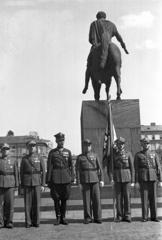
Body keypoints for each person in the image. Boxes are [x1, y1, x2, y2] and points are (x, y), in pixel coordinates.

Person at [83, 11, 127, 94]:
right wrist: (123, 45)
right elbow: (118, 36)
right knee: (117, 66)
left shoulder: (93, 24)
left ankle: (86, 86)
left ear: (97, 17)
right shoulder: (112, 24)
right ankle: (118, 87)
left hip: (96, 46)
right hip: (110, 44)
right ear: (105, 17)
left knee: (89, 66)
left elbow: (90, 39)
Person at [46, 132, 74, 225]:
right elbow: (49, 166)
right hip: (55, 178)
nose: (61, 142)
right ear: (56, 141)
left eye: (63, 140)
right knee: (56, 199)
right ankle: (58, 218)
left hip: (66, 178)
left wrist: (72, 178)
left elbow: (71, 166)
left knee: (65, 198)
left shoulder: (68, 152)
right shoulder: (52, 152)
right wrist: (48, 180)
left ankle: (63, 218)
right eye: (59, 140)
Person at [76, 139, 104, 224]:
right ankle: (88, 218)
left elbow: (100, 168)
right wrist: (79, 183)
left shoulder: (95, 155)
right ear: (83, 146)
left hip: (95, 179)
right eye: (85, 145)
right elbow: (77, 170)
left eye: (89, 145)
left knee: (96, 200)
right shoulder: (80, 157)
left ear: (91, 146)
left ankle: (98, 218)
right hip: (85, 181)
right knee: (87, 201)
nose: (87, 147)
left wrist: (102, 179)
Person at [134, 137, 162, 222]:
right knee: (144, 198)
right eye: (145, 143)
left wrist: (160, 180)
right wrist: (136, 182)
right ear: (142, 144)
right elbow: (136, 169)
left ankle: (154, 217)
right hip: (143, 179)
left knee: (153, 198)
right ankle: (145, 217)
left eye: (148, 143)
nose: (147, 145)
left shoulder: (154, 154)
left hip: (153, 178)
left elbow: (158, 167)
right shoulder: (138, 155)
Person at [20, 140, 45, 228]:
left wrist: (43, 184)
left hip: (37, 182)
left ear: (36, 147)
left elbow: (43, 172)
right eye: (30, 146)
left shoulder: (40, 157)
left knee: (36, 203)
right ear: (27, 147)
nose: (32, 147)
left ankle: (36, 221)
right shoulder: (24, 159)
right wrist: (22, 185)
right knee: (27, 204)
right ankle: (28, 222)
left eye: (34, 146)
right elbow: (21, 172)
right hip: (27, 182)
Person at [109, 137, 134, 223]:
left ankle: (127, 215)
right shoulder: (114, 155)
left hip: (127, 178)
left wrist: (133, 180)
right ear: (117, 145)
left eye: (122, 144)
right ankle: (119, 216)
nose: (121, 145)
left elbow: (132, 168)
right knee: (118, 198)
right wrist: (111, 178)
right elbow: (111, 168)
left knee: (127, 198)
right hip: (117, 178)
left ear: (124, 145)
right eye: (119, 144)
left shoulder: (128, 154)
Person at [0, 143, 19, 229]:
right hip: (0, 184)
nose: (5, 151)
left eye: (7, 149)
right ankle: (1, 223)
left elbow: (16, 173)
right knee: (0, 205)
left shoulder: (14, 161)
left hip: (10, 184)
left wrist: (17, 184)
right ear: (1, 150)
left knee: (10, 204)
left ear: (9, 150)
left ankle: (9, 222)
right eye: (3, 149)